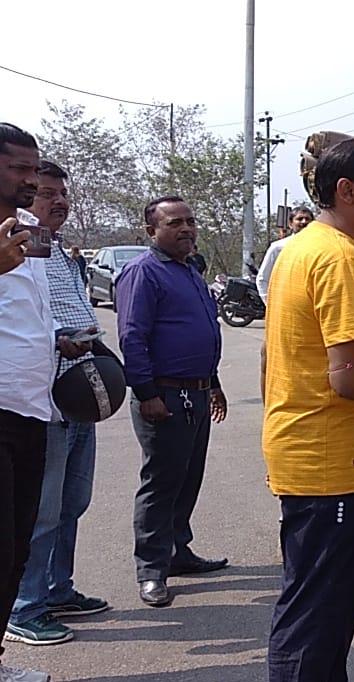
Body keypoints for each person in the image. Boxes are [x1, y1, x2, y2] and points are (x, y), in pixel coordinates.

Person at [263, 139, 354, 682]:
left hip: (311, 446)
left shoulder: (304, 247)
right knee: (316, 604)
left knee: (337, 590)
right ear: (347, 191)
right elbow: (348, 377)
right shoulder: (339, 259)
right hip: (323, 457)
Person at [7, 161, 110, 648]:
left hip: (77, 395)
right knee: (41, 511)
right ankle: (25, 608)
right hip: (40, 397)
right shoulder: (16, 249)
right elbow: (23, 321)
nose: (59, 201)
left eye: (61, 193)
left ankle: (57, 589)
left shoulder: (60, 252)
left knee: (73, 502)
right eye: (47, 193)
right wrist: (57, 338)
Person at [116, 196, 229, 609]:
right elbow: (132, 337)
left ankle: (178, 551)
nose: (186, 229)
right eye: (174, 223)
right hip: (164, 395)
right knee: (162, 483)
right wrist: (147, 394)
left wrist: (213, 383)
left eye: (190, 221)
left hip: (196, 391)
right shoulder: (143, 272)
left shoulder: (190, 270)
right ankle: (151, 570)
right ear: (152, 231)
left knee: (188, 477)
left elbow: (202, 333)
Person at [0, 123, 78, 682]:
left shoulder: (31, 230)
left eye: (35, 168)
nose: (30, 179)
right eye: (19, 169)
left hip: (32, 407)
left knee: (15, 546)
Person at [257, 207, 314, 301]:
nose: (304, 222)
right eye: (299, 219)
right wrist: (268, 303)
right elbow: (263, 279)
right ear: (290, 224)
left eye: (307, 219)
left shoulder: (320, 248)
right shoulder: (278, 248)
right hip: (286, 303)